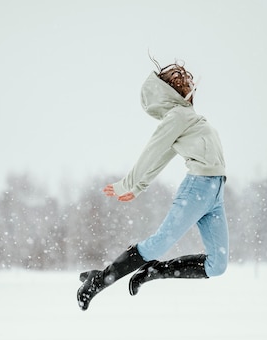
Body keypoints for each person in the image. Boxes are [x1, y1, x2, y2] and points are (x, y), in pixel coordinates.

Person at [77, 58, 228, 311]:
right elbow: (154, 152)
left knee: (218, 265)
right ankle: (98, 281)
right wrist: (131, 185)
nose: (188, 86)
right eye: (181, 84)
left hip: (215, 193)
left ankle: (155, 271)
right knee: (158, 243)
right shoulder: (177, 116)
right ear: (170, 92)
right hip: (198, 187)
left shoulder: (188, 118)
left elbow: (164, 154)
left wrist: (137, 186)